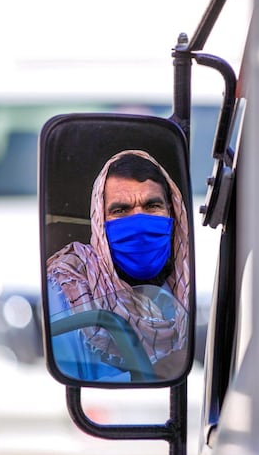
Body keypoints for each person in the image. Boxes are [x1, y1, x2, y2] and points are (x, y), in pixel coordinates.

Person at [46, 149, 190, 382]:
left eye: (152, 206)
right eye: (121, 210)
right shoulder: (66, 288)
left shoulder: (193, 288)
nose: (139, 222)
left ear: (172, 213)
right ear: (100, 224)